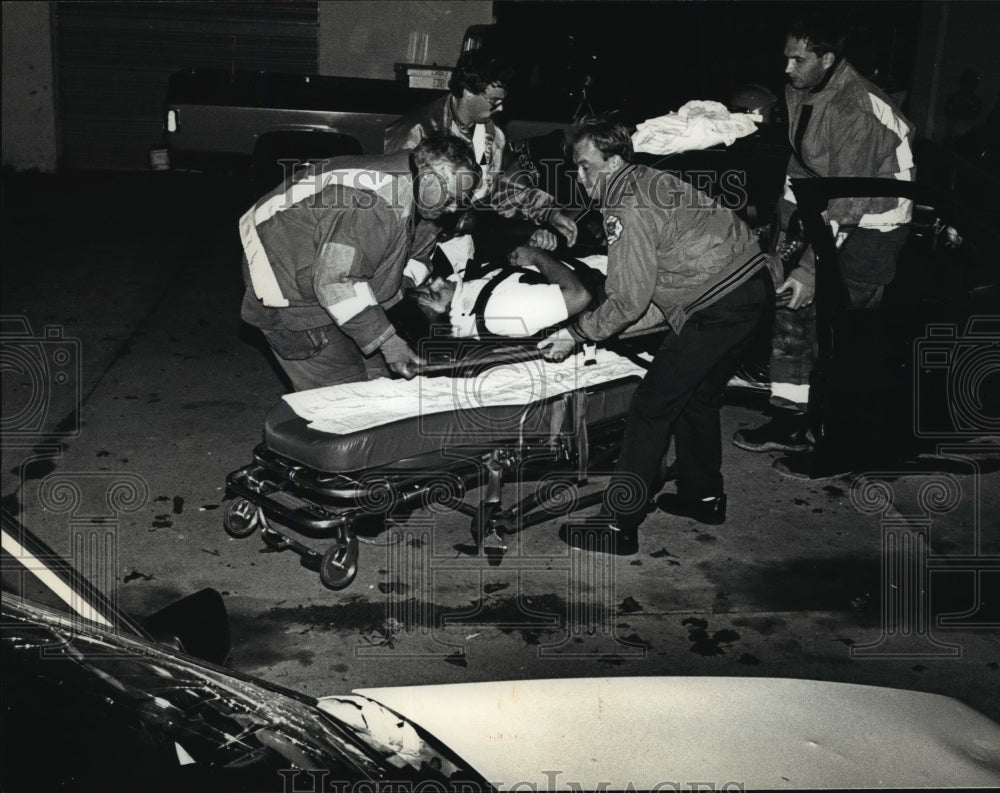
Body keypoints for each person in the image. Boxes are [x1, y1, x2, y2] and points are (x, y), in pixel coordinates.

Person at [536, 117, 772, 555]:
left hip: (717, 307)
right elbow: (648, 302)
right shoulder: (651, 179)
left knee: (650, 407)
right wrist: (601, 332)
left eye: (587, 166)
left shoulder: (625, 205)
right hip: (751, 291)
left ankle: (618, 524)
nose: (580, 177)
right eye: (576, 167)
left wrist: (577, 332)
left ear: (615, 158)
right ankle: (703, 497)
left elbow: (628, 299)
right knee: (696, 398)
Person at [732, 16, 915, 458]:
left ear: (827, 59)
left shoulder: (856, 107)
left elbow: (849, 201)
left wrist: (811, 269)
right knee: (791, 307)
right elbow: (801, 166)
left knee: (842, 327)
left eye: (799, 59)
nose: (788, 68)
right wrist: (785, 236)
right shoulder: (801, 91)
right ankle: (790, 417)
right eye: (786, 57)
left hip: (874, 223)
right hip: (828, 210)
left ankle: (841, 431)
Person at [239, 134, 480, 391]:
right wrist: (388, 342)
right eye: (452, 197)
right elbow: (336, 282)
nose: (454, 209)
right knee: (343, 394)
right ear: (429, 177)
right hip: (286, 283)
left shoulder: (416, 185)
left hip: (322, 272)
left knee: (378, 380)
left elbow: (407, 259)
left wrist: (393, 315)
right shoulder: (377, 204)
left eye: (461, 200)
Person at [384, 49, 578, 257]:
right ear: (468, 92)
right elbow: (395, 207)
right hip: (413, 245)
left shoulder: (492, 134)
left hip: (464, 239)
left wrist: (550, 213)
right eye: (494, 102)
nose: (501, 109)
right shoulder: (414, 131)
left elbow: (506, 187)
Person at [408, 244, 592, 340]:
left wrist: (525, 253)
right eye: (435, 294)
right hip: (606, 284)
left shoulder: (470, 295)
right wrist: (537, 256)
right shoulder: (500, 311)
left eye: (429, 282)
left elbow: (514, 278)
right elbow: (578, 296)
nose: (439, 280)